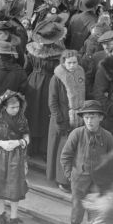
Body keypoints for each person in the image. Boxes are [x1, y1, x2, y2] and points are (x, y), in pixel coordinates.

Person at [60, 100, 113, 224]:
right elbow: (65, 156)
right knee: (77, 209)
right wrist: (70, 175)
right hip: (79, 180)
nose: (89, 121)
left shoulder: (107, 136)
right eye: (86, 117)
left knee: (95, 211)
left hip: (98, 184)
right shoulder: (77, 134)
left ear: (101, 118)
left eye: (93, 117)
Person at [0, 91, 30, 224]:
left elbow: (27, 135)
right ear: (5, 107)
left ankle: (14, 216)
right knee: (0, 184)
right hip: (0, 154)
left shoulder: (22, 119)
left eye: (17, 107)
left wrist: (20, 142)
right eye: (12, 107)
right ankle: (1, 213)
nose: (16, 110)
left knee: (14, 185)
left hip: (16, 156)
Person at [25, 16, 66, 158]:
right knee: (45, 115)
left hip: (33, 83)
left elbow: (26, 69)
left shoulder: (32, 51)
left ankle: (31, 147)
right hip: (50, 85)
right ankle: (43, 149)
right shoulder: (59, 54)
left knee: (32, 114)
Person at [47, 49, 85, 192]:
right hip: (61, 117)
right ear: (63, 63)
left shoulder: (79, 73)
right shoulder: (56, 78)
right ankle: (61, 180)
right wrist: (60, 120)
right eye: (69, 63)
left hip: (77, 117)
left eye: (75, 62)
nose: (72, 65)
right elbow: (52, 102)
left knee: (73, 150)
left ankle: (72, 178)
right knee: (62, 150)